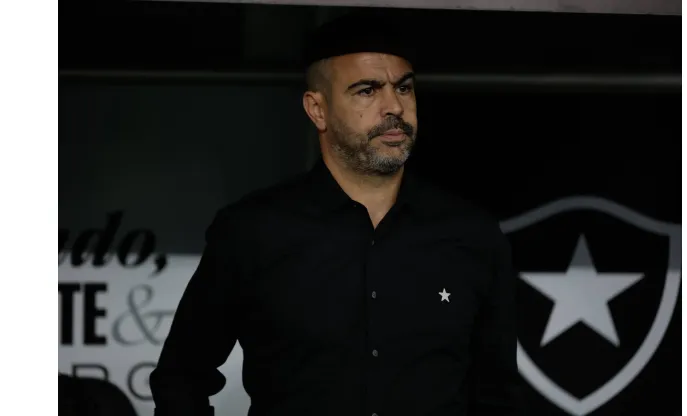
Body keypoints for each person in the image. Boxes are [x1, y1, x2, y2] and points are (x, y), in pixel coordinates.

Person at [150, 10, 522, 416]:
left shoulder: (472, 234)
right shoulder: (253, 231)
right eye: (367, 90)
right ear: (317, 109)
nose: (393, 107)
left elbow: (497, 395)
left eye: (404, 88)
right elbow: (181, 377)